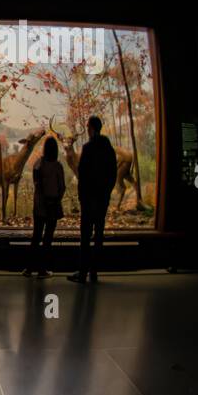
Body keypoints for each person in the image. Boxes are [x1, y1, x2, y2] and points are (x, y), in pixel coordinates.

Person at [68, 115, 117, 283]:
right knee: (98, 235)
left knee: (85, 236)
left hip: (89, 201)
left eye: (88, 126)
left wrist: (82, 197)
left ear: (91, 128)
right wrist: (107, 193)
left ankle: (82, 273)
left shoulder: (88, 148)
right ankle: (94, 272)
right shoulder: (108, 148)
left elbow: (82, 175)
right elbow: (113, 173)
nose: (87, 129)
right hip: (102, 199)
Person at [23, 135, 64, 278]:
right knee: (47, 238)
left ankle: (28, 269)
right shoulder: (58, 166)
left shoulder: (37, 164)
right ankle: (42, 270)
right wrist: (57, 199)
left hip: (39, 205)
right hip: (52, 206)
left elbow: (36, 185)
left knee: (36, 236)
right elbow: (62, 187)